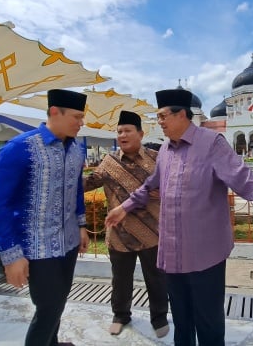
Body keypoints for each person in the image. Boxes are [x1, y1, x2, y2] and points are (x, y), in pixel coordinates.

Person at [105, 88, 253, 346]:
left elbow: (246, 180)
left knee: (208, 322)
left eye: (163, 116)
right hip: (172, 253)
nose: (160, 122)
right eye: (158, 117)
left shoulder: (211, 143)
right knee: (182, 319)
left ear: (182, 115)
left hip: (205, 253)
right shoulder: (165, 150)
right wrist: (124, 207)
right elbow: (150, 185)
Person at [0, 89, 90, 346]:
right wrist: (10, 255)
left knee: (59, 301)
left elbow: (76, 190)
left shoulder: (77, 149)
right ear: (55, 112)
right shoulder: (19, 148)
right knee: (48, 308)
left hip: (68, 243)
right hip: (37, 247)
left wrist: (81, 226)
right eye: (77, 117)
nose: (81, 123)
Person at [84, 111, 169, 338]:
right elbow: (89, 183)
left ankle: (159, 316)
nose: (122, 135)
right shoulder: (109, 162)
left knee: (157, 277)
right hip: (120, 234)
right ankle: (120, 315)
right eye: (119, 131)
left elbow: (174, 185)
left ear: (140, 133)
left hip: (154, 232)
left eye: (127, 130)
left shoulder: (157, 157)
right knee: (121, 279)